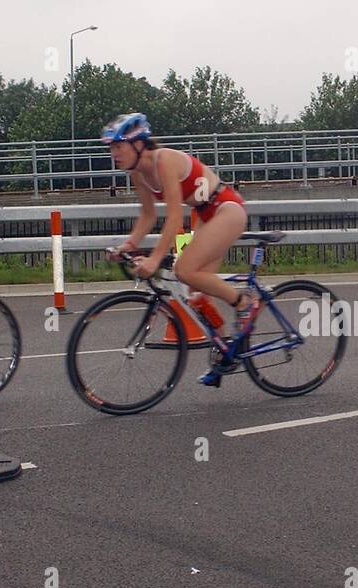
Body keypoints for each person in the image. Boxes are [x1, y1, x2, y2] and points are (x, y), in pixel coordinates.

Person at [100, 113, 249, 386]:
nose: (113, 153)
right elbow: (147, 216)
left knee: (184, 270)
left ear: (138, 144)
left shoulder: (163, 160)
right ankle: (226, 353)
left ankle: (244, 304)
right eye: (111, 147)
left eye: (118, 146)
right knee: (196, 296)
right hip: (205, 215)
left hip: (226, 209)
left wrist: (155, 258)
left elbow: (173, 217)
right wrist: (128, 245)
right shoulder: (137, 172)